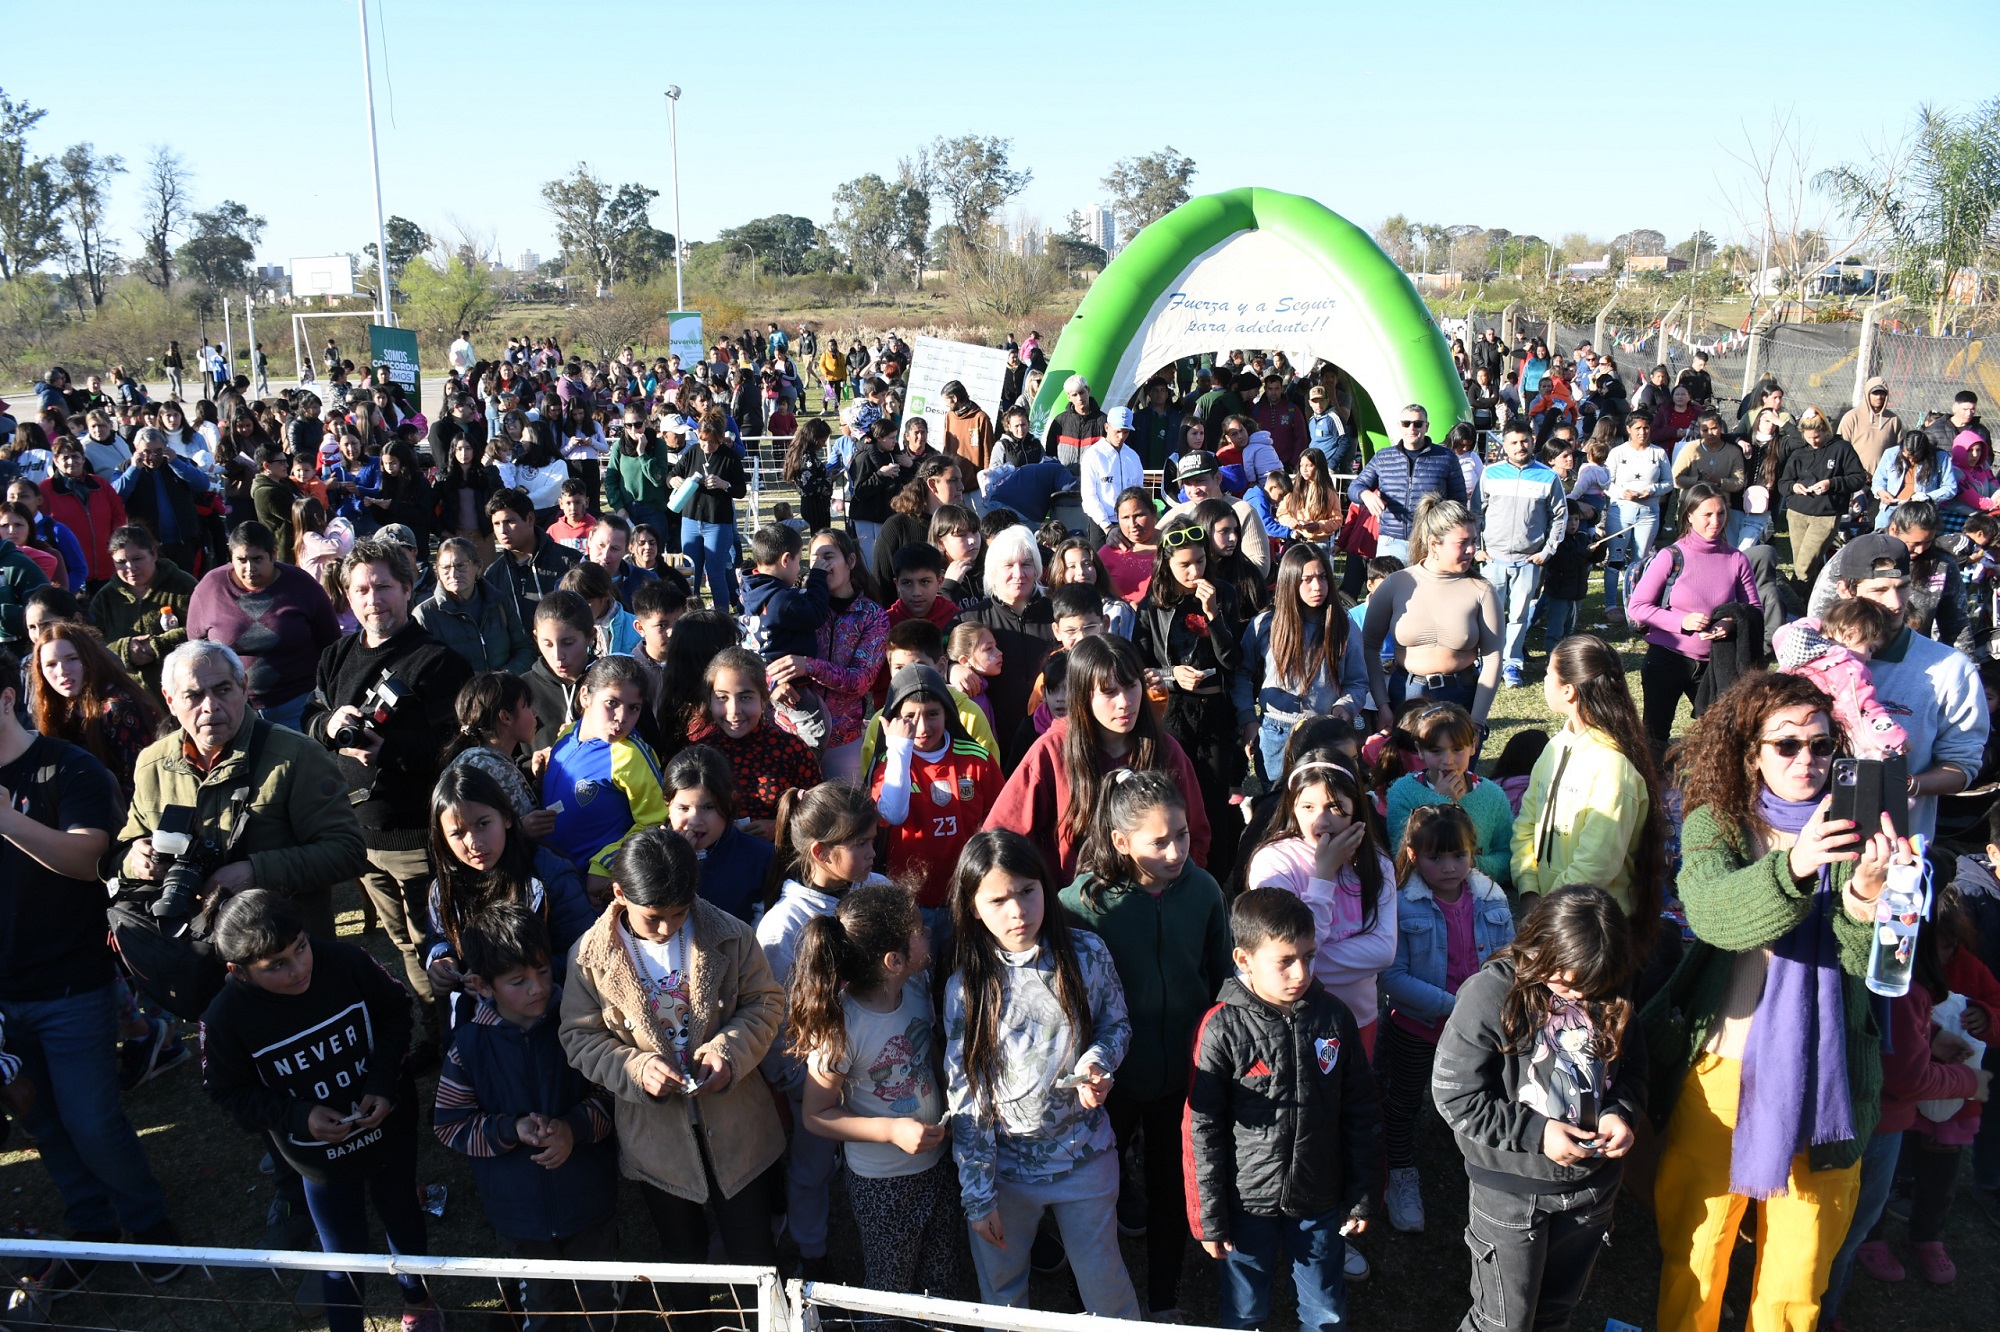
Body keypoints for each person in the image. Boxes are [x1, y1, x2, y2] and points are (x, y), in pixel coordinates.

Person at [1650, 671, 1906, 1332]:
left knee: (1798, 1276)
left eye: (1822, 746)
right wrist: (1794, 866)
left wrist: (1866, 896)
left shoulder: (1859, 826)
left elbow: (1862, 961)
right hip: (1723, 1071)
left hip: (1829, 1079)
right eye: (1786, 745)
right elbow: (1713, 914)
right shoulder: (1719, 822)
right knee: (1696, 1254)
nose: (1806, 760)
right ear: (1751, 752)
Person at [0, 642, 185, 1292]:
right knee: (40, 1119)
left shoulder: (66, 770)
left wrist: (2, 818)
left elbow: (86, 859)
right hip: (4, 997)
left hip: (71, 981)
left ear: (4, 699)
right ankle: (91, 1222)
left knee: (91, 1118)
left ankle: (151, 1227)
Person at [560, 827, 784, 1319]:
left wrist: (730, 1050)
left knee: (753, 1250)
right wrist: (635, 1068)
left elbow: (765, 1003)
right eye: (654, 918)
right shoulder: (589, 959)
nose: (667, 929)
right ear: (619, 894)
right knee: (682, 1254)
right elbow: (579, 1037)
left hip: (738, 1130)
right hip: (656, 1143)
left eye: (680, 914)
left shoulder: (730, 934)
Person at [201, 891, 440, 1332]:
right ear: (238, 971)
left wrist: (383, 1084)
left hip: (389, 1129)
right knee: (342, 1249)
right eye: (276, 966)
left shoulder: (346, 961)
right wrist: (299, 1116)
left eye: (301, 948)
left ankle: (419, 1301)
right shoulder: (224, 1019)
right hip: (317, 1157)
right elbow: (228, 1091)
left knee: (403, 1214)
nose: (299, 970)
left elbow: (396, 1011)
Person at [943, 829, 1142, 1319]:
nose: (1017, 911)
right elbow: (967, 1100)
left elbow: (1116, 1023)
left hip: (1085, 1158)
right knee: (1004, 1293)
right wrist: (978, 1193)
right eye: (998, 899)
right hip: (1004, 1175)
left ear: (1045, 887)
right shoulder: (965, 990)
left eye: (1027, 891)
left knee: (1106, 1286)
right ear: (972, 907)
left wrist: (1099, 1061)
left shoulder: (1087, 953)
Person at [1431, 886, 1644, 1332]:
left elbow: (1632, 1071)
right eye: (1567, 982)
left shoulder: (1607, 982)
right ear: (1538, 945)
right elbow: (1455, 1096)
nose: (1582, 998)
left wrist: (1619, 1112)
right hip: (1511, 1196)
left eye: (1594, 988)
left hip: (1591, 1193)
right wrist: (1538, 1134)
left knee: (1553, 1316)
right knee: (1502, 1322)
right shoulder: (1489, 995)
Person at [1058, 769, 1229, 1321]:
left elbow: (1222, 971)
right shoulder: (1084, 904)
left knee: (1170, 1188)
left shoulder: (1203, 890)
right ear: (1120, 842)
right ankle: (1081, 1297)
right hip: (1113, 1081)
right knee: (1094, 1193)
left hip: (1182, 1076)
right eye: (1160, 841)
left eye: (1181, 834)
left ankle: (1162, 1301)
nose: (1177, 850)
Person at [303, 541, 476, 1056]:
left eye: (383, 586)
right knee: (402, 940)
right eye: (361, 589)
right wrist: (327, 724)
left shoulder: (440, 662)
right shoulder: (336, 655)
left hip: (420, 834)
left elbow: (461, 746)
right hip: (359, 833)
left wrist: (390, 750)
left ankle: (465, 1039)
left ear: (407, 589)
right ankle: (435, 1032)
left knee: (440, 942)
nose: (372, 599)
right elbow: (309, 716)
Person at [1184, 884, 1378, 1332]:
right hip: (1245, 1204)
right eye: (1286, 961)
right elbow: (1201, 1129)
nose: (1301, 972)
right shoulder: (1220, 1028)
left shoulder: (1334, 1018)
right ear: (1244, 960)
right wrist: (1209, 1217)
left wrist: (1363, 1196)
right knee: (1245, 1310)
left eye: (1309, 957)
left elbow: (1362, 1112)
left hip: (1320, 1198)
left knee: (1325, 1311)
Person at [434, 902, 620, 1329]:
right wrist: (509, 1129)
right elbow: (449, 1124)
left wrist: (572, 1130)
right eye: (518, 981)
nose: (537, 988)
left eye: (541, 972)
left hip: (588, 1202)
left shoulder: (580, 1024)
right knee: (539, 1304)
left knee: (600, 1300)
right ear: (483, 985)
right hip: (517, 1214)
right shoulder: (468, 1047)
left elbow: (612, 1096)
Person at [1375, 803, 1517, 1234]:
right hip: (1417, 1028)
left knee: (1486, 1097)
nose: (1450, 867)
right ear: (1414, 856)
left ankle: (1486, 1171)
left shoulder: (1491, 895)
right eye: (1437, 858)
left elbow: (1511, 959)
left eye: (1459, 855)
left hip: (1479, 1034)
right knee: (1402, 1103)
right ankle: (1399, 1173)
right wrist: (1454, 1006)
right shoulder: (1401, 905)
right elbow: (1392, 975)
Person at [986, 633, 1212, 881]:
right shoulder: (1051, 751)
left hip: (1156, 905)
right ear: (1082, 695)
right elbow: (1001, 837)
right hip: (1075, 911)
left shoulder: (1165, 750)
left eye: (1131, 686)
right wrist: (1043, 900)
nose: (1125, 702)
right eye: (1109, 692)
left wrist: (1179, 891)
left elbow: (1196, 833)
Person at [1824, 534, 1987, 842]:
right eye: (1879, 590)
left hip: (1898, 848)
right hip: (1809, 842)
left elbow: (1962, 766)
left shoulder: (1950, 669)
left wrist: (1905, 783)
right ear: (1846, 590)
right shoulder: (1815, 660)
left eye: (1902, 587)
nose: (1895, 604)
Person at [1511, 636, 1668, 927]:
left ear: (1569, 691)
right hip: (1552, 916)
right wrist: (1529, 889)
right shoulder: (1555, 747)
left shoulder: (1612, 767)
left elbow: (1597, 863)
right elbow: (1526, 824)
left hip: (1594, 926)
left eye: (1548, 673)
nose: (1544, 679)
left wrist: (1546, 910)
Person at [1135, 516, 1244, 880]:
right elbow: (1141, 662)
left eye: (1200, 560)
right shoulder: (1153, 603)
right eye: (1184, 564)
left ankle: (1214, 875)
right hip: (1173, 709)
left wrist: (1214, 616)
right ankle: (1175, 866)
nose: (1194, 570)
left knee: (1214, 797)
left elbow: (1232, 661)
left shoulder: (1223, 593)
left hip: (1214, 708)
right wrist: (1172, 674)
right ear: (1166, 562)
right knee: (1173, 791)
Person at [1628, 483, 1761, 750]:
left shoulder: (1736, 559)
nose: (1716, 521)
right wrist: (1681, 622)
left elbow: (1754, 609)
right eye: (1707, 515)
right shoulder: (1670, 556)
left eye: (1721, 513)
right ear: (1689, 515)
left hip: (1715, 664)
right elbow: (1638, 607)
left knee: (1721, 737)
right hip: (1667, 658)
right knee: (1655, 736)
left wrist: (1731, 622)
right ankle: (1653, 786)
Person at [1235, 544, 1372, 784]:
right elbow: (1242, 674)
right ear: (1290, 581)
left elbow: (1357, 681)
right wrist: (1249, 719)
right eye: (1307, 580)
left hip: (1324, 731)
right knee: (1277, 803)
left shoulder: (1344, 626)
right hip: (1275, 733)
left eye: (1322, 577)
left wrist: (1345, 706)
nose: (1317, 587)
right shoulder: (1265, 625)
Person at [187, 521, 342, 730]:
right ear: (230, 556)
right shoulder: (211, 587)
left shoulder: (302, 586)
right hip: (234, 708)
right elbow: (195, 649)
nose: (250, 568)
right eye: (241, 560)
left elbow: (331, 643)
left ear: (274, 554)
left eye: (257, 559)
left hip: (299, 706)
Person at [1362, 498, 1502, 728]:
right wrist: (1383, 705)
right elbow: (1369, 645)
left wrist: (1476, 721)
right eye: (1462, 542)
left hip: (1461, 697)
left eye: (1474, 541)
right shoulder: (1397, 584)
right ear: (1434, 543)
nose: (1472, 550)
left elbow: (1493, 657)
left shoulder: (1482, 590)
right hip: (1405, 697)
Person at [542, 656, 668, 905]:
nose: (622, 717)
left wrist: (606, 865)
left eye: (633, 708)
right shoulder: (566, 735)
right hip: (553, 877)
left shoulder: (629, 753)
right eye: (612, 703)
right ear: (585, 696)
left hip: (596, 892)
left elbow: (656, 822)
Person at [688, 647, 823, 836]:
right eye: (722, 698)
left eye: (745, 698)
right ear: (709, 701)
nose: (734, 710)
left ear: (764, 700)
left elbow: (820, 813)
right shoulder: (698, 754)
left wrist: (780, 827)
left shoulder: (791, 750)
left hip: (776, 860)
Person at [954, 526, 1057, 764]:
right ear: (993, 572)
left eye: (1026, 564)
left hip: (1050, 738)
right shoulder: (972, 619)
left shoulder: (1057, 614)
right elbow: (941, 648)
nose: (1018, 573)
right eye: (1008, 566)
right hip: (993, 743)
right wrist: (953, 667)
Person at [1479, 423, 1568, 688]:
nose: (1520, 447)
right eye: (1514, 442)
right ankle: (1486, 662)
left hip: (1528, 560)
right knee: (1488, 615)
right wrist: (1477, 548)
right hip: (1493, 559)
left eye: (1525, 441)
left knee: (1518, 616)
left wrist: (1547, 551)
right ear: (1504, 445)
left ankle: (1511, 665)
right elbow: (1474, 512)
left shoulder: (1547, 477)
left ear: (1532, 442)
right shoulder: (1490, 474)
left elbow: (1560, 516)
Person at [29, 621, 157, 806]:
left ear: (89, 658)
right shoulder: (60, 708)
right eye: (51, 664)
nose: (62, 671)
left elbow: (141, 784)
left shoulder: (118, 707)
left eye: (72, 658)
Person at [1385, 702, 1514, 882]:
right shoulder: (1403, 792)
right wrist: (1439, 801)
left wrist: (1469, 864)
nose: (1448, 760)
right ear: (1420, 750)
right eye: (1436, 751)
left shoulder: (1492, 795)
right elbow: (1401, 857)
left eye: (1458, 749)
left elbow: (1509, 858)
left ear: (1473, 745)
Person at [1773, 599, 1911, 760]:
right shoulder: (1849, 669)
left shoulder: (1801, 654)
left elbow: (1786, 633)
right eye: (1871, 648)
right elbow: (1864, 708)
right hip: (1836, 738)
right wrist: (1895, 740)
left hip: (1792, 733)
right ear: (1850, 635)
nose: (1869, 657)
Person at [1347, 404, 1467, 563]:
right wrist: (1365, 494)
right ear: (1399, 426)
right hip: (1390, 541)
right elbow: (1355, 487)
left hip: (1430, 541)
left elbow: (1459, 502)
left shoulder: (1446, 457)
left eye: (1418, 424)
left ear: (1426, 427)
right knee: (1389, 588)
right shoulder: (1384, 457)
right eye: (1406, 423)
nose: (1412, 428)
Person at [414, 536, 535, 675]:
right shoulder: (425, 615)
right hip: (458, 695)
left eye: (461, 566)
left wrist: (504, 675)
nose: (453, 574)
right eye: (446, 568)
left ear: (478, 567)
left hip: (506, 689)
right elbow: (426, 668)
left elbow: (524, 649)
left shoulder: (500, 602)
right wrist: (476, 682)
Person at [1602, 415, 1674, 634]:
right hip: (1621, 512)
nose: (1642, 432)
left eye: (1646, 428)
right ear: (1628, 429)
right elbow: (1605, 481)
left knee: (1640, 560)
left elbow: (1669, 482)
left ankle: (1636, 605)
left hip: (1648, 513)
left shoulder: (1658, 453)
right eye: (1638, 428)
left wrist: (1651, 490)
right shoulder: (1617, 453)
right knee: (1616, 558)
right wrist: (1622, 492)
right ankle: (1610, 604)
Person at [672, 411, 750, 612]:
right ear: (698, 435)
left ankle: (722, 618)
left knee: (716, 574)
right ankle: (691, 616)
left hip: (717, 523)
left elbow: (741, 490)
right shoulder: (692, 452)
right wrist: (676, 481)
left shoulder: (730, 457)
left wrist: (725, 485)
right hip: (690, 520)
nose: (708, 447)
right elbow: (671, 475)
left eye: (713, 443)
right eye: (704, 441)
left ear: (721, 439)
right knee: (690, 575)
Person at [113, 426, 215, 575]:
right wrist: (134, 470)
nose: (153, 457)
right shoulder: (125, 468)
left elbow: (202, 483)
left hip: (184, 542)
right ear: (136, 449)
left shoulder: (178, 461)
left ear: (166, 447)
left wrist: (175, 463)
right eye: (146, 452)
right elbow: (115, 496)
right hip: (148, 545)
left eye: (158, 451)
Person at [1780, 408, 1869, 576]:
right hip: (1797, 513)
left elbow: (1858, 478)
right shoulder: (1799, 451)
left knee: (1802, 568)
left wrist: (1832, 483)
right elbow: (1783, 483)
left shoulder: (1841, 448)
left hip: (1825, 515)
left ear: (1826, 430)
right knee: (1804, 567)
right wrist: (1793, 487)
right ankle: (1809, 599)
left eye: (1817, 436)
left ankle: (1792, 597)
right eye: (1808, 437)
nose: (1813, 441)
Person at [483, 487, 582, 630]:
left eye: (509, 521)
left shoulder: (570, 562)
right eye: (496, 524)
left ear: (530, 519)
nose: (502, 530)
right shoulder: (494, 574)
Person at [39, 437, 128, 589]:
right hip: (71, 570)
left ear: (83, 458)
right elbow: (42, 525)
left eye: (75, 456)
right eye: (65, 457)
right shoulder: (45, 489)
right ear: (55, 460)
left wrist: (115, 544)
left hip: (106, 565)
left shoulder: (100, 484)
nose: (71, 461)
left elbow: (119, 514)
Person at [1872, 428, 1958, 530]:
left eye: (1916, 456)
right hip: (1890, 509)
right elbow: (1878, 480)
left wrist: (1927, 497)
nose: (1911, 459)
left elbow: (1950, 487)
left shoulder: (1941, 457)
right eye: (1907, 456)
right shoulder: (1890, 454)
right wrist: (1881, 492)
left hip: (1920, 511)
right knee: (1881, 539)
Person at [1080, 408, 1146, 539]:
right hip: (1100, 524)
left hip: (1129, 523)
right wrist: (1107, 526)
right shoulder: (1093, 455)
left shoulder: (1133, 456)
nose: (1121, 436)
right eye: (1117, 431)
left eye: (1126, 432)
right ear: (1107, 427)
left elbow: (1139, 492)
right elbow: (1089, 496)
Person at [1838, 376, 1904, 473]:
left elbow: (1898, 451)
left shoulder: (1893, 420)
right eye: (1875, 393)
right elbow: (1841, 448)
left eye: (1882, 393)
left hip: (1883, 479)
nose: (1879, 397)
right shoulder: (1852, 417)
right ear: (1867, 394)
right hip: (1855, 477)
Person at [1044, 374, 1108, 470]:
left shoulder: (1103, 420)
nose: (1079, 398)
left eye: (1082, 392)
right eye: (1074, 395)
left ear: (1088, 390)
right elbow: (1051, 453)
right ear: (1069, 397)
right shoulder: (1059, 421)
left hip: (1094, 479)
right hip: (1065, 480)